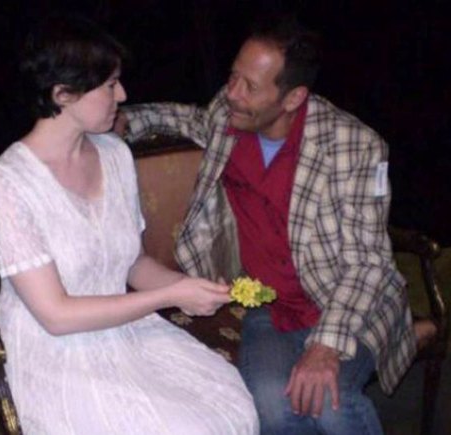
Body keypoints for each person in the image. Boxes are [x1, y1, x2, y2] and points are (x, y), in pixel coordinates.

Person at [117, 16, 418, 435]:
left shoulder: (354, 146)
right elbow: (185, 118)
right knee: (273, 408)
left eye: (250, 86)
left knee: (328, 405)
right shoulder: (229, 115)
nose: (232, 93)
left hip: (347, 304)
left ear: (293, 97)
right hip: (269, 306)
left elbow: (367, 264)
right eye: (233, 76)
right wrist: (123, 119)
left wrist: (325, 346)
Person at [0, 16, 258, 434]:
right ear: (63, 93)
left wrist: (189, 288)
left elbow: (132, 264)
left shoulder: (114, 154)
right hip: (55, 353)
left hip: (122, 331)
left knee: (231, 406)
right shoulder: (7, 185)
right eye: (110, 85)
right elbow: (56, 315)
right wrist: (169, 296)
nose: (122, 95)